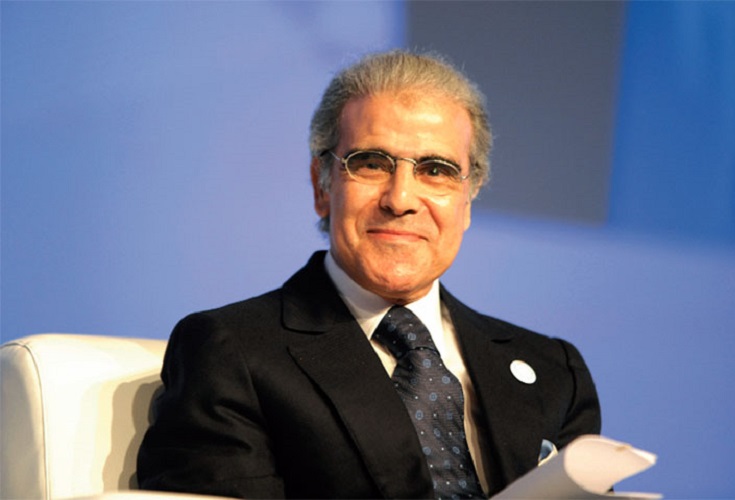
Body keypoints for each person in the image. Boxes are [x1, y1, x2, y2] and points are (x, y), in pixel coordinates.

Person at [136, 50, 601, 499]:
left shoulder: (553, 371)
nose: (400, 199)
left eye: (435, 170)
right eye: (372, 164)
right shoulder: (231, 352)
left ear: (467, 201)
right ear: (322, 186)